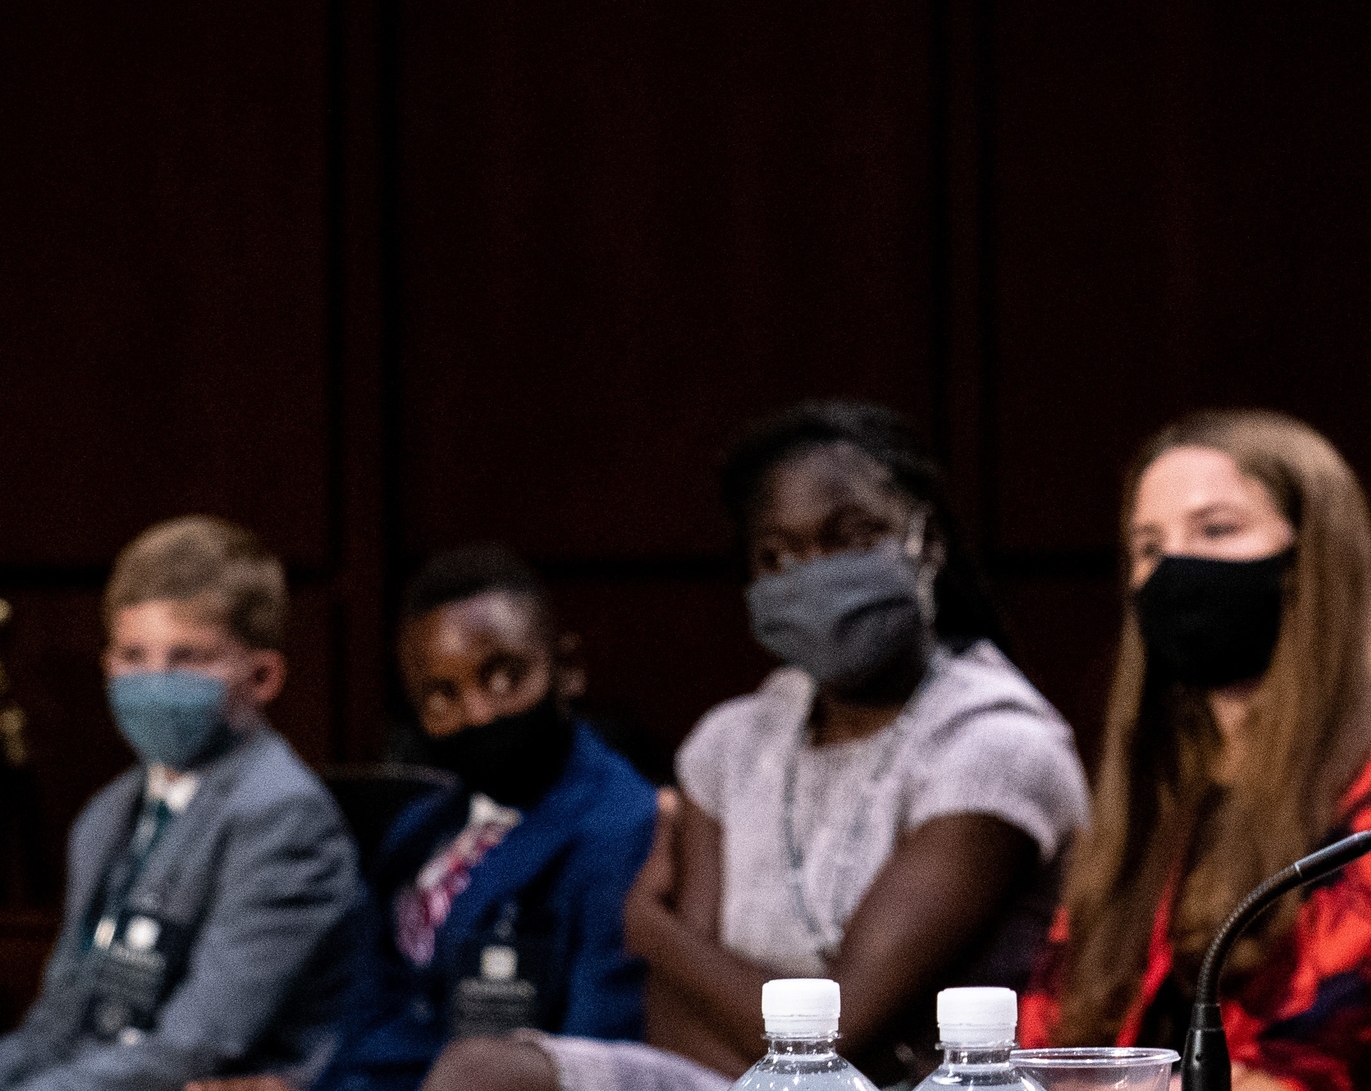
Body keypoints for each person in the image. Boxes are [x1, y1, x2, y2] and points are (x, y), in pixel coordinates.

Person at [431, 402, 1087, 1091]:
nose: (812, 573)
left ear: (924, 540)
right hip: (734, 1081)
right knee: (484, 1071)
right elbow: (672, 1025)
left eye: (848, 537)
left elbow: (844, 1036)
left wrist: (653, 927)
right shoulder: (730, 742)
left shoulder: (997, 747)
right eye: (778, 555)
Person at [1023, 411, 1371, 1089]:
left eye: (1216, 530)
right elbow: (1048, 1042)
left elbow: (1297, 1068)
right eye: (1148, 546)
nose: (1173, 568)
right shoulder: (1162, 780)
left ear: (1310, 561)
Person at [0, 518, 360, 1091]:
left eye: (186, 658)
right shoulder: (106, 813)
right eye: (132, 656)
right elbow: (55, 1028)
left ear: (263, 676)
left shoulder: (286, 818)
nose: (153, 681)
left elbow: (194, 1050)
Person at [318, 548, 661, 1091]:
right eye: (442, 696)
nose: (477, 713)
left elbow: (594, 1053)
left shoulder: (622, 826)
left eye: (503, 678)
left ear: (567, 669)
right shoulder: (418, 830)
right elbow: (361, 1017)